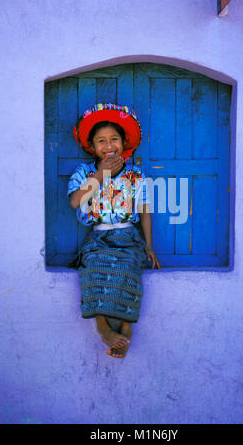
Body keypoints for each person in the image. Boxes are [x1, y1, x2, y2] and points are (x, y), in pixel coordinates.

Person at [68, 103, 161, 359]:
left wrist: (148, 246)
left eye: (114, 140)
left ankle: (126, 330)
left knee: (129, 270)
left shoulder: (135, 175)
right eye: (101, 141)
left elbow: (144, 211)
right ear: (92, 146)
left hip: (128, 237)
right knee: (93, 267)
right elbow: (76, 201)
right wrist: (102, 174)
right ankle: (103, 328)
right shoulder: (84, 173)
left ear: (124, 143)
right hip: (98, 238)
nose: (109, 147)